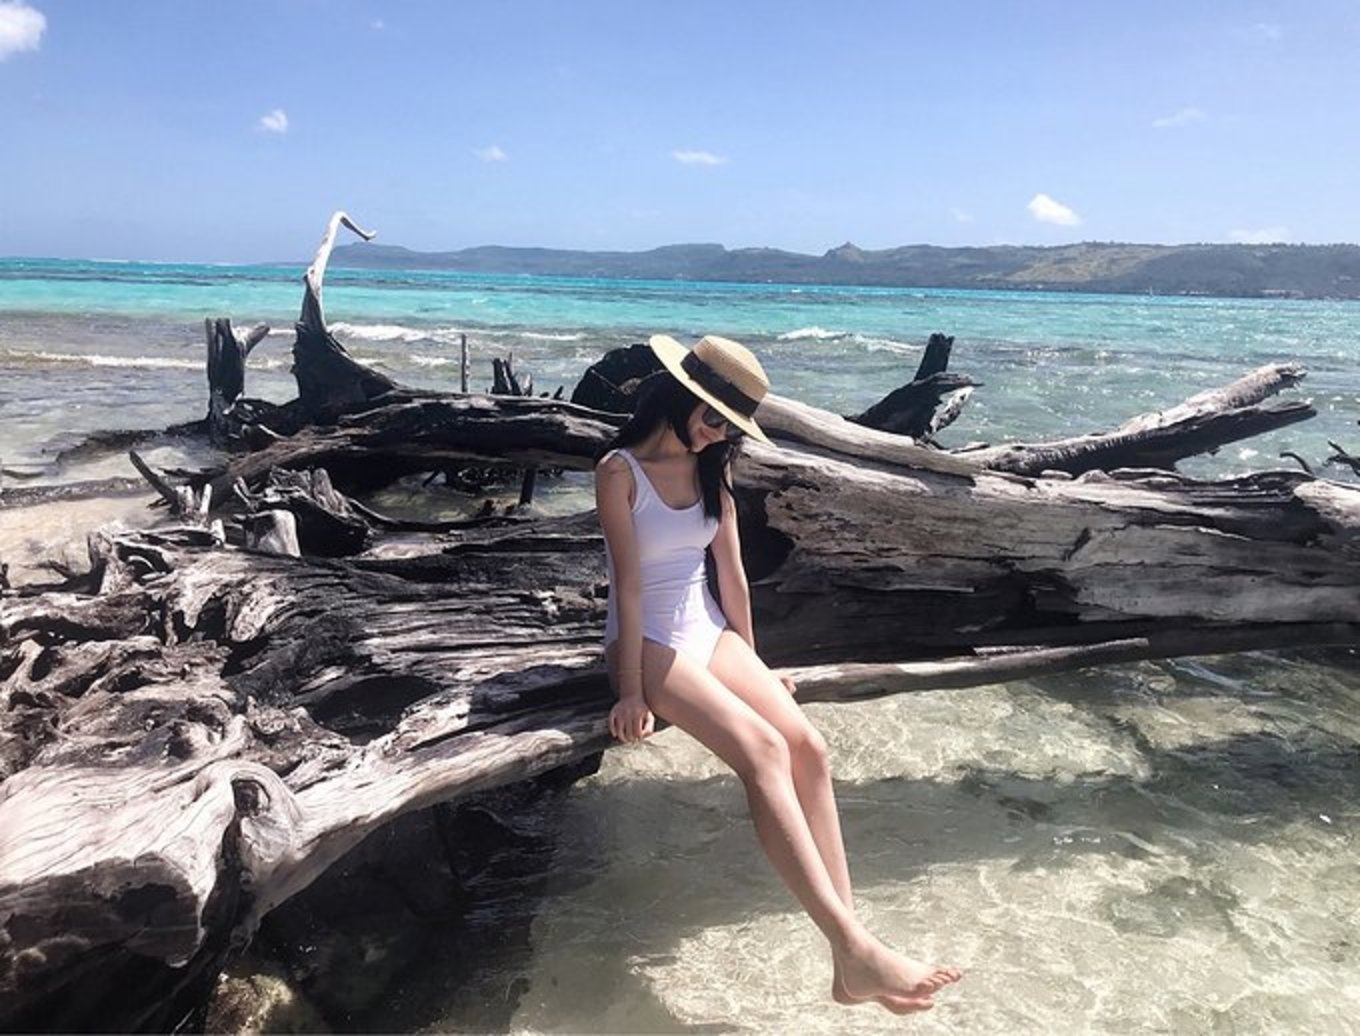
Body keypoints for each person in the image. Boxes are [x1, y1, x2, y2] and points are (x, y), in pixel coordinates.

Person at [594, 334, 961, 1014]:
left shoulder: (713, 469)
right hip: (644, 638)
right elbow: (629, 584)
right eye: (712, 417)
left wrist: (756, 667)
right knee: (763, 751)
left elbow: (730, 575)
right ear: (681, 396)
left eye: (728, 426)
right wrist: (631, 690)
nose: (717, 433)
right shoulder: (620, 471)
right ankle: (856, 948)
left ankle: (850, 957)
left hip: (707, 627)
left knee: (809, 749)